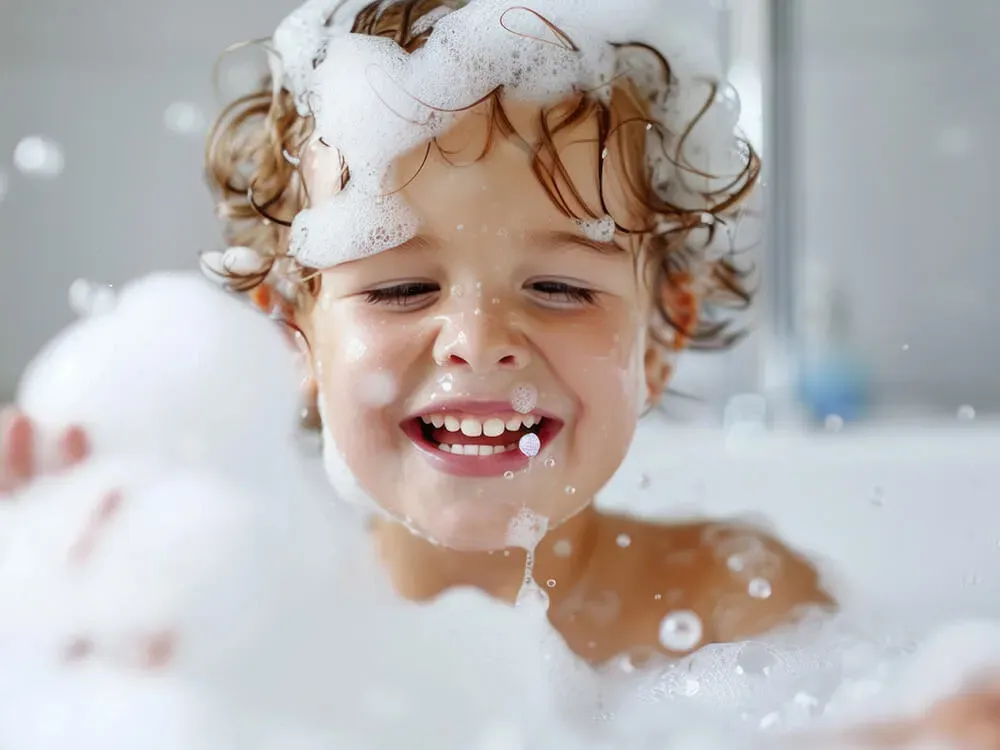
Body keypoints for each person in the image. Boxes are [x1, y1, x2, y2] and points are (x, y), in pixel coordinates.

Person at [2, 1, 999, 744]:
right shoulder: (256, 614)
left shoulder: (738, 605)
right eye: (398, 290)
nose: (477, 341)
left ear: (660, 336)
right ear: (292, 341)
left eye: (560, 287)